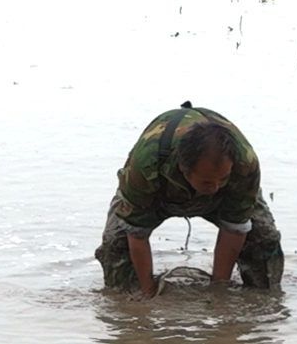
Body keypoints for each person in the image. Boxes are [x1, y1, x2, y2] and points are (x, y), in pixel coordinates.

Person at [98, 101, 281, 293]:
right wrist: (147, 291)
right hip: (156, 192)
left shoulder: (245, 163)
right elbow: (136, 233)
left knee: (263, 239)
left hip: (229, 196)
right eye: (207, 183)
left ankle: (261, 300)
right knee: (116, 245)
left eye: (223, 179)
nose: (215, 187)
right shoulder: (146, 163)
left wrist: (219, 290)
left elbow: (235, 229)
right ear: (184, 170)